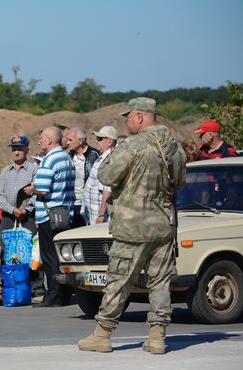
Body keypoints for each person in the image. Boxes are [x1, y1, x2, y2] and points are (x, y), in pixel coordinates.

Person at [78, 97, 186, 355]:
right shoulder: (176, 148)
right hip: (163, 225)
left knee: (119, 281)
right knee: (160, 282)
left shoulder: (132, 146)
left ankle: (102, 335)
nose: (126, 122)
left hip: (132, 227)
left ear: (139, 116)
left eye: (128, 117)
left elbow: (106, 175)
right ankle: (157, 337)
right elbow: (180, 183)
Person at [25, 127, 75, 307]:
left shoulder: (49, 160)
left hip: (49, 216)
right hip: (65, 214)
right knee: (63, 257)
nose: (39, 141)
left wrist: (32, 189)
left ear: (50, 141)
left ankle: (53, 296)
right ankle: (64, 294)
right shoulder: (67, 159)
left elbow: (43, 190)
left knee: (50, 257)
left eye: (41, 138)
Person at [0, 135, 45, 303]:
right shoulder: (5, 171)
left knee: (31, 252)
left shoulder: (33, 169)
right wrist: (13, 209)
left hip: (28, 217)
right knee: (8, 253)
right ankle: (8, 287)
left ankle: (36, 290)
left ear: (26, 150)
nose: (16, 152)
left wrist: (25, 209)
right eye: (14, 148)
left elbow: (37, 193)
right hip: (9, 217)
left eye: (20, 148)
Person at [81, 126, 118, 225]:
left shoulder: (110, 159)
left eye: (100, 139)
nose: (97, 141)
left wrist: (101, 214)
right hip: (93, 213)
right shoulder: (103, 157)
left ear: (110, 142)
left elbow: (107, 189)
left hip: (100, 216)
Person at [67, 126, 100, 228]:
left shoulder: (95, 155)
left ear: (80, 141)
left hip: (89, 203)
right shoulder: (68, 156)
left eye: (70, 140)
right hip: (72, 202)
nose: (67, 142)